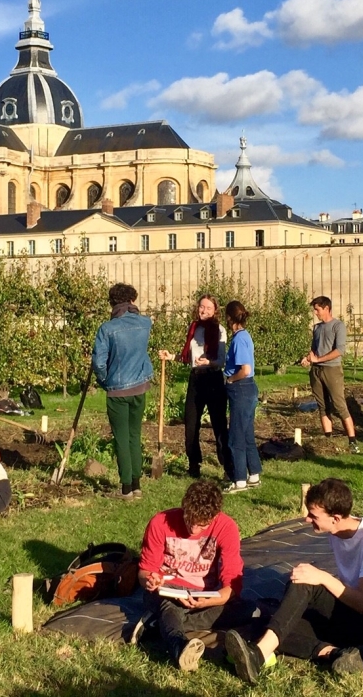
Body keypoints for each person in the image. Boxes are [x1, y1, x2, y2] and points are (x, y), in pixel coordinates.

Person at [225, 478, 363, 682]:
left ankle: (259, 655)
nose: (307, 519)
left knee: (306, 584)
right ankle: (334, 653)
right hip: (350, 611)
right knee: (274, 622)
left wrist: (322, 578)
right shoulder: (335, 530)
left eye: (313, 515)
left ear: (335, 518)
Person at [129, 479, 247, 672]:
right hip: (167, 591)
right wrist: (150, 580)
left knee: (249, 610)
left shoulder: (227, 528)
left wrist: (212, 601)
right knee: (169, 607)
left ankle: (157, 624)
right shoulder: (160, 522)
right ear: (184, 508)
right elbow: (145, 570)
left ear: (216, 516)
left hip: (204, 595)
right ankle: (179, 647)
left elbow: (232, 581)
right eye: (189, 521)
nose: (193, 530)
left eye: (202, 526)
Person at [92, 283, 153, 501]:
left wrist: (104, 379)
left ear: (113, 303)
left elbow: (98, 362)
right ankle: (137, 485)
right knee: (135, 435)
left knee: (121, 437)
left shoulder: (107, 329)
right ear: (132, 301)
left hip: (117, 390)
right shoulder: (146, 324)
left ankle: (126, 487)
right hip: (139, 387)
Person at [159, 294, 229, 479]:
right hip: (196, 379)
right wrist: (171, 356)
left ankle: (228, 466)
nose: (204, 310)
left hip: (213, 378)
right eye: (201, 307)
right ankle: (194, 464)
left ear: (215, 311)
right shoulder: (193, 328)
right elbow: (187, 358)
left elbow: (221, 361)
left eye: (208, 308)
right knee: (191, 424)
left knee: (219, 424)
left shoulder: (219, 330)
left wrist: (209, 362)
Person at [301, 296, 359, 453]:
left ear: (326, 308)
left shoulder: (338, 326)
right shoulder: (317, 328)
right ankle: (328, 441)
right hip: (316, 371)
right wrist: (308, 358)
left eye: (317, 309)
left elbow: (339, 350)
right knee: (323, 406)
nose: (315, 312)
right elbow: (314, 348)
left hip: (332, 370)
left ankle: (353, 442)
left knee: (339, 405)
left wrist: (318, 359)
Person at [222, 300, 261, 494]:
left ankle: (239, 480)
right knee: (246, 434)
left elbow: (245, 369)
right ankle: (254, 474)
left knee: (235, 437)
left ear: (229, 318)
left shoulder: (238, 339)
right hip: (248, 389)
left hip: (241, 388)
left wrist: (230, 380)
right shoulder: (245, 336)